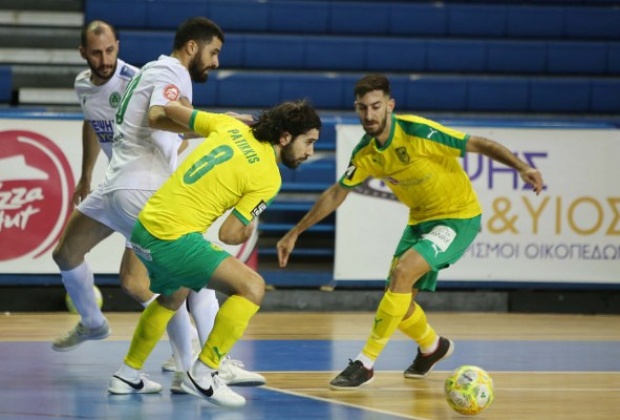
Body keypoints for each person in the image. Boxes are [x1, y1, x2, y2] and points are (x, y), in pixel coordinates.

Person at [276, 74, 544, 390]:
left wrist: (521, 166)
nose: (369, 115)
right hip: (420, 222)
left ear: (390, 106)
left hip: (458, 219)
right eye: (362, 108)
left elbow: (478, 143)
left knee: (402, 274)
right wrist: (295, 232)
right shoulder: (366, 152)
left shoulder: (418, 132)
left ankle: (365, 363)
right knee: (399, 302)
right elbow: (338, 192)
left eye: (376, 106)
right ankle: (433, 347)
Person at [52, 18, 262, 393]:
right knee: (186, 279)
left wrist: (219, 125)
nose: (215, 62)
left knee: (72, 255)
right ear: (193, 47)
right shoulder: (173, 72)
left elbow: (167, 123)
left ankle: (172, 366)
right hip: (142, 188)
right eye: (213, 52)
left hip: (117, 185)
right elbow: (159, 115)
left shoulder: (150, 70)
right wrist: (220, 123)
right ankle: (202, 368)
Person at [107, 99, 321, 407]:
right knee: (252, 287)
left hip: (145, 227)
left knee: (173, 294)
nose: (310, 152)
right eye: (309, 142)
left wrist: (222, 116)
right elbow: (229, 234)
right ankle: (205, 372)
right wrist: (248, 228)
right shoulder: (270, 178)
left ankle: (127, 373)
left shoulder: (229, 125)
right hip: (173, 237)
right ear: (285, 137)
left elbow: (171, 109)